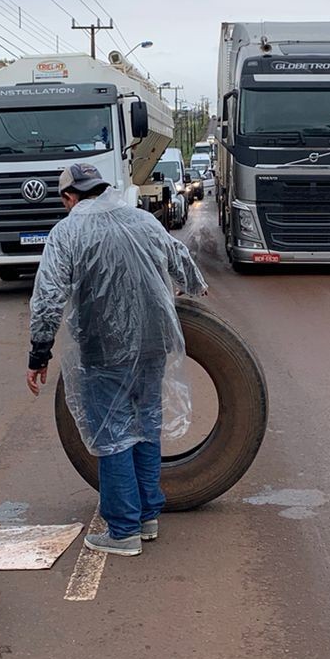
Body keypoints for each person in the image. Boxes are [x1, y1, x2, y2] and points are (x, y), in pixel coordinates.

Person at [24, 162, 207, 556]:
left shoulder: (68, 231)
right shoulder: (142, 219)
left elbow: (49, 298)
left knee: (112, 434)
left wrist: (39, 352)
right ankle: (146, 517)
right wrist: (194, 287)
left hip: (103, 346)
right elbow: (181, 260)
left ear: (69, 197)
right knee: (144, 425)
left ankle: (123, 530)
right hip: (154, 341)